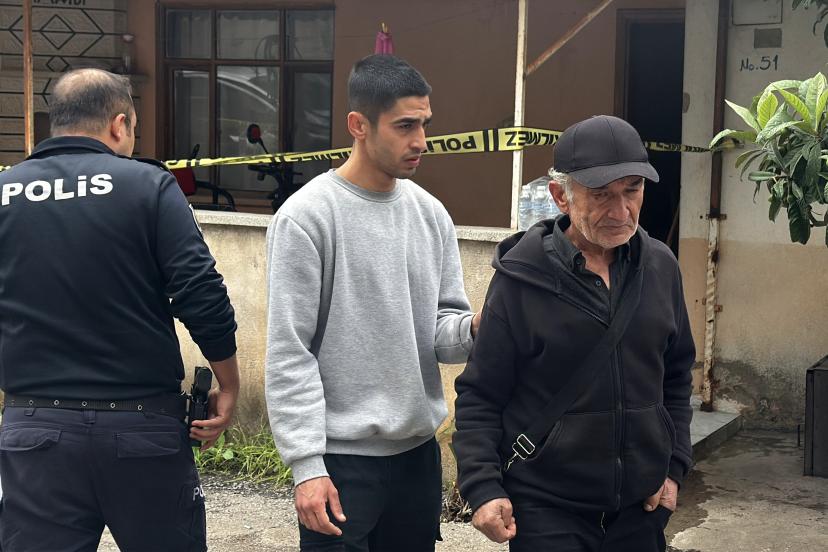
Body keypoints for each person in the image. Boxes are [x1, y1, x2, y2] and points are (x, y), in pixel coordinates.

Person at [0, 68, 240, 552]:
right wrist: (229, 383)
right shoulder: (148, 185)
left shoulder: (5, 192)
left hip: (35, 431)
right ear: (119, 123)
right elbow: (200, 291)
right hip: (142, 429)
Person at [265, 54, 480, 552]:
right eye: (405, 126)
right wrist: (306, 466)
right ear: (358, 125)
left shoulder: (431, 214)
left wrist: (475, 328)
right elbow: (290, 351)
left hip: (417, 458)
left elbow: (441, 334)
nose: (420, 141)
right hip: (339, 463)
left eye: (424, 124)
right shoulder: (306, 217)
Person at [453, 115, 695, 552]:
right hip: (547, 510)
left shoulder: (660, 267)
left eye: (632, 190)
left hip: (641, 511)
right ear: (560, 196)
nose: (620, 212)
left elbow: (676, 377)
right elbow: (481, 394)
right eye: (601, 195)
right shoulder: (521, 279)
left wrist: (674, 467)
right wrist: (483, 486)